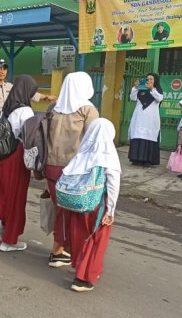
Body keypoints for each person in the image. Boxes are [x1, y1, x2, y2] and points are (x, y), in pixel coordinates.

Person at [0, 58, 56, 212]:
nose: (2, 71)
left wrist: (46, 97)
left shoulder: (11, 86)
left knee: (2, 168)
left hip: (6, 135)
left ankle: (0, 198)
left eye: (4, 68)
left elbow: (29, 92)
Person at [44, 72, 99, 268]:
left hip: (51, 166)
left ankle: (58, 249)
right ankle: (71, 254)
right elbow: (95, 141)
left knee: (60, 210)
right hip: (75, 170)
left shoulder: (54, 108)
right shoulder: (87, 110)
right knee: (77, 214)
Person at [62, 118, 121, 292]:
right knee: (95, 239)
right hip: (97, 204)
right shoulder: (108, 155)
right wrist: (110, 210)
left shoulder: (82, 151)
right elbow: (113, 185)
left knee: (79, 235)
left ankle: (84, 268)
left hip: (77, 202)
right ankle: (83, 278)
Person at [0, 75, 38, 252]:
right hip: (17, 157)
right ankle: (9, 240)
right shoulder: (26, 111)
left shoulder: (8, 107)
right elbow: (29, 139)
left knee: (5, 193)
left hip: (3, 156)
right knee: (16, 198)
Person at [128, 73, 164, 167]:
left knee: (149, 137)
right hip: (139, 118)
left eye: (151, 79)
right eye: (147, 79)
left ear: (155, 81)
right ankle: (136, 159)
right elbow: (132, 98)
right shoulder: (140, 89)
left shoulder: (157, 91)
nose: (149, 81)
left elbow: (159, 98)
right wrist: (136, 87)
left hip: (151, 120)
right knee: (138, 136)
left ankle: (148, 160)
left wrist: (152, 89)